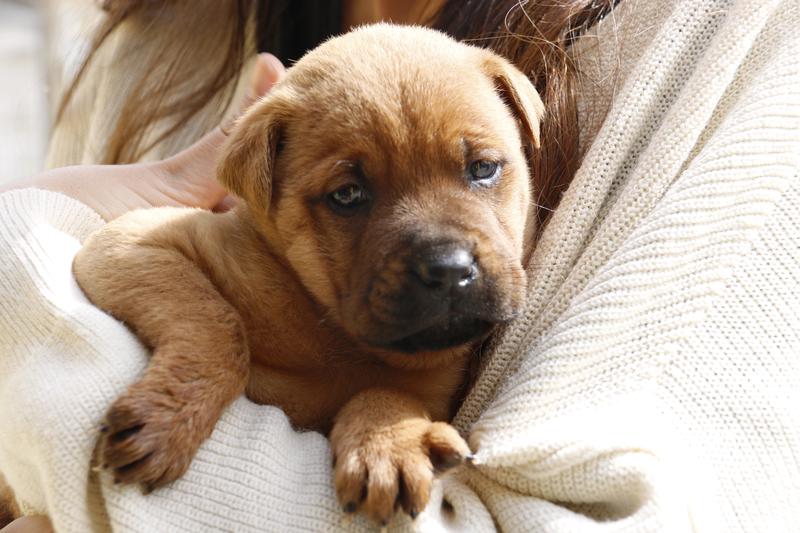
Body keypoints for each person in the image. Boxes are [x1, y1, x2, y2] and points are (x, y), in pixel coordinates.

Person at [1, 0, 798, 531]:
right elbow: (124, 248)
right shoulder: (177, 51)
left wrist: (382, 419)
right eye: (349, 196)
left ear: (524, 133)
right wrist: (205, 355)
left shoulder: (743, 50)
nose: (446, 253)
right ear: (257, 181)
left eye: (481, 170)